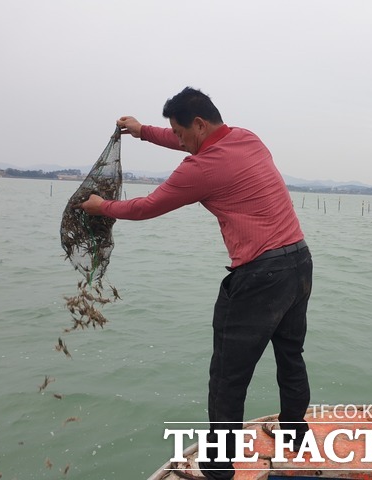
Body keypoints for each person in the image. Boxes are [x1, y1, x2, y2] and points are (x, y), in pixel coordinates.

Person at [80, 87, 312, 480]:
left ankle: (219, 469)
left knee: (227, 376)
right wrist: (142, 131)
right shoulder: (247, 137)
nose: (181, 141)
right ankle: (295, 434)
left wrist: (103, 207)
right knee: (291, 356)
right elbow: (181, 138)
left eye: (183, 133)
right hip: (299, 263)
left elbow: (147, 206)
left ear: (200, 124)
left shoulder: (199, 169)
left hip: (259, 277)